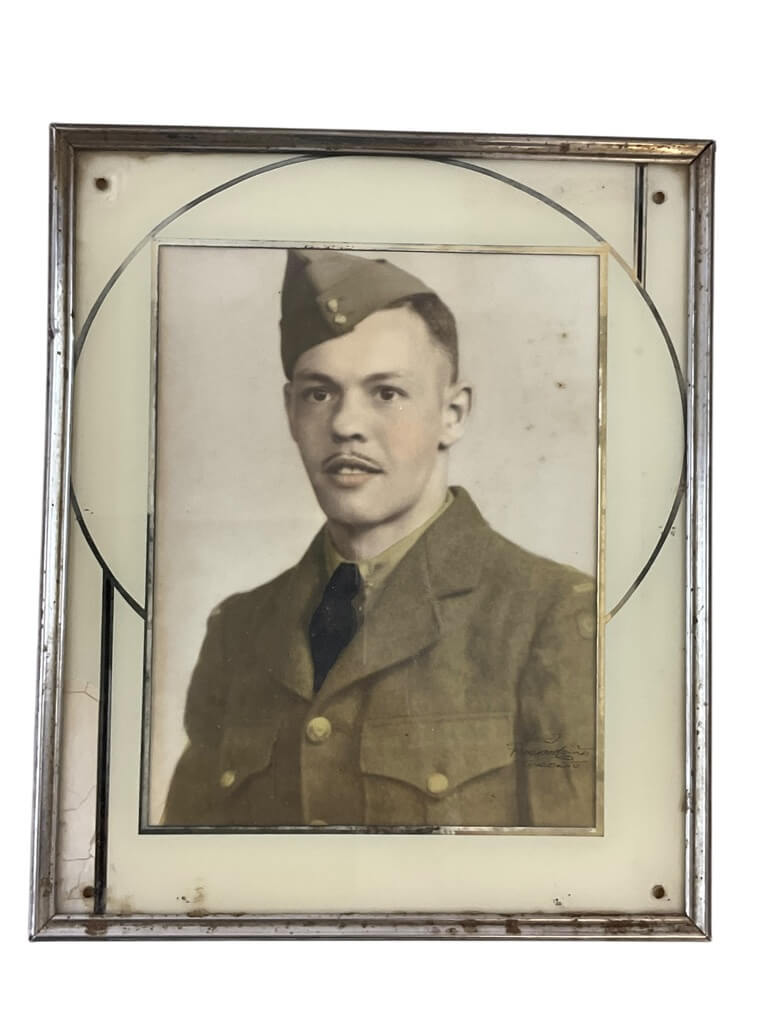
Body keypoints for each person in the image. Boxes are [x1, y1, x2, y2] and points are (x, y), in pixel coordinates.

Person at [163, 249, 597, 829]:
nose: (346, 425)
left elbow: (571, 877)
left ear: (453, 414)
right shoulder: (239, 631)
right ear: (291, 412)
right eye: (319, 393)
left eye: (386, 393)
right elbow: (190, 868)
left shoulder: (553, 617)